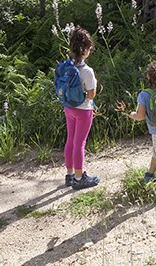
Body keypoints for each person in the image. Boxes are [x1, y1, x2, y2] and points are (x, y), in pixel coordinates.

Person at [117, 60, 156, 200]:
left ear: (148, 77)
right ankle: (150, 173)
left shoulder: (144, 95)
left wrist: (131, 114)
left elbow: (140, 116)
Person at [63, 26, 100, 190]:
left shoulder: (67, 67)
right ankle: (79, 178)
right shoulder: (87, 71)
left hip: (68, 108)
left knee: (70, 140)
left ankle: (70, 175)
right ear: (85, 49)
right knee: (80, 143)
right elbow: (91, 95)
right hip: (84, 110)